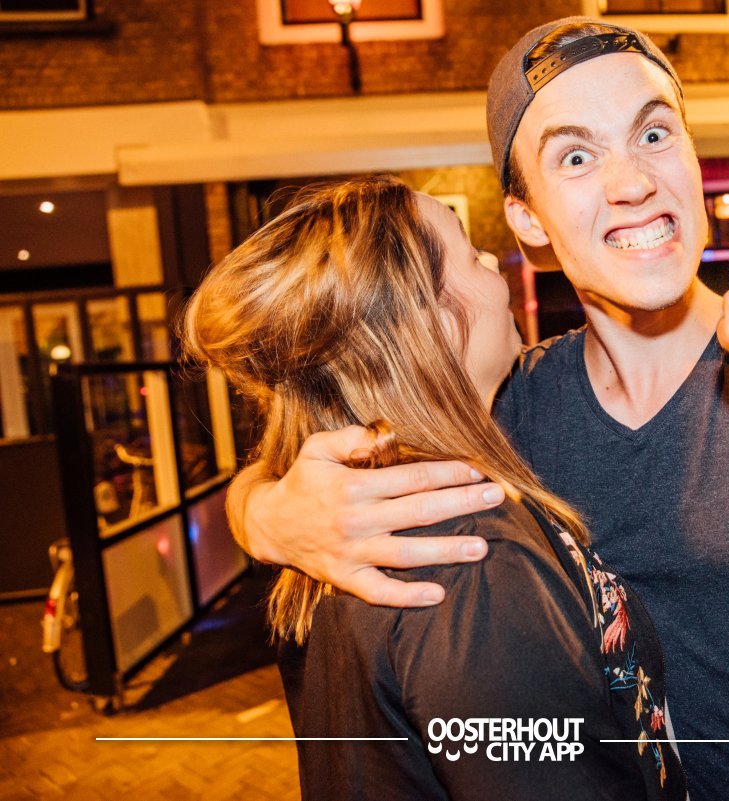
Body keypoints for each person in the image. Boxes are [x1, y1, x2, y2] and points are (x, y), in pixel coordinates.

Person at [227, 18, 729, 800]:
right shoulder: (507, 410)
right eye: (577, 156)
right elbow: (311, 443)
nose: (632, 182)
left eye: (654, 134)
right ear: (528, 219)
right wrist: (265, 512)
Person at [181, 176, 687, 800]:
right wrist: (255, 509)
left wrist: (255, 509)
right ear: (427, 324)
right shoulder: (464, 556)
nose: (493, 264)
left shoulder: (357, 513)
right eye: (470, 254)